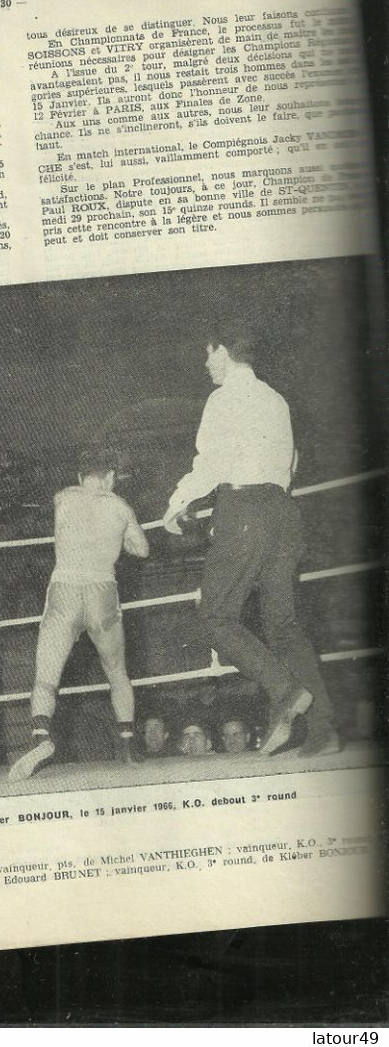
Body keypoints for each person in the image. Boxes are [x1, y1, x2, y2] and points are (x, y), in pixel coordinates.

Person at [162, 324, 339, 758]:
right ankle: (324, 733)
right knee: (282, 627)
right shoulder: (277, 400)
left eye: (209, 353)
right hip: (284, 514)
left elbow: (211, 462)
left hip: (245, 510)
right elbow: (290, 462)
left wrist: (176, 503)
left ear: (223, 349)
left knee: (215, 617)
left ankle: (285, 690)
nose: (205, 364)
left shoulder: (223, 399)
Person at [9, 448, 149, 780]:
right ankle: (128, 746)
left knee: (46, 677)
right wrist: (120, 540)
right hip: (103, 592)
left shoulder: (64, 498)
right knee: (116, 672)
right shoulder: (121, 508)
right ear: (112, 477)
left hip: (65, 592)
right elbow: (142, 549)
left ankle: (42, 737)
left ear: (79, 476)